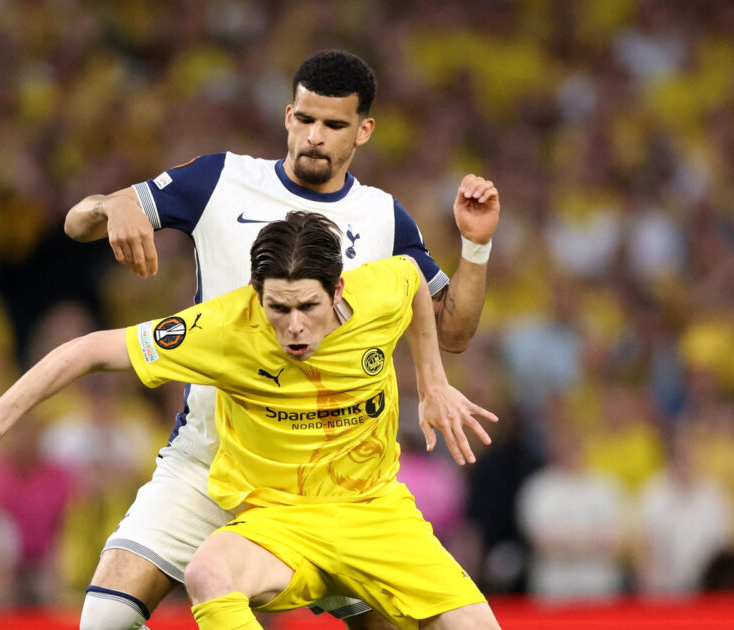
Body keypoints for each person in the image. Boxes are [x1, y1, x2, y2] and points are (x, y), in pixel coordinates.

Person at [63, 49, 500, 629]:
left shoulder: (381, 217)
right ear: (287, 115)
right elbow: (76, 223)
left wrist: (474, 248)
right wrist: (111, 204)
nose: (314, 136)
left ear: (363, 131)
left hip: (319, 484)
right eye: (305, 118)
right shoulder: (220, 179)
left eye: (334, 125)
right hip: (204, 461)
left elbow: (452, 330)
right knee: (102, 623)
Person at [0, 211, 501, 629]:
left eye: (308, 307)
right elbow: (88, 350)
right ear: (257, 294)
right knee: (207, 572)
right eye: (278, 308)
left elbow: (414, 287)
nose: (294, 326)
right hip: (280, 522)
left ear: (339, 289)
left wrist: (433, 381)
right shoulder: (224, 329)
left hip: (376, 514)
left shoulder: (384, 285)